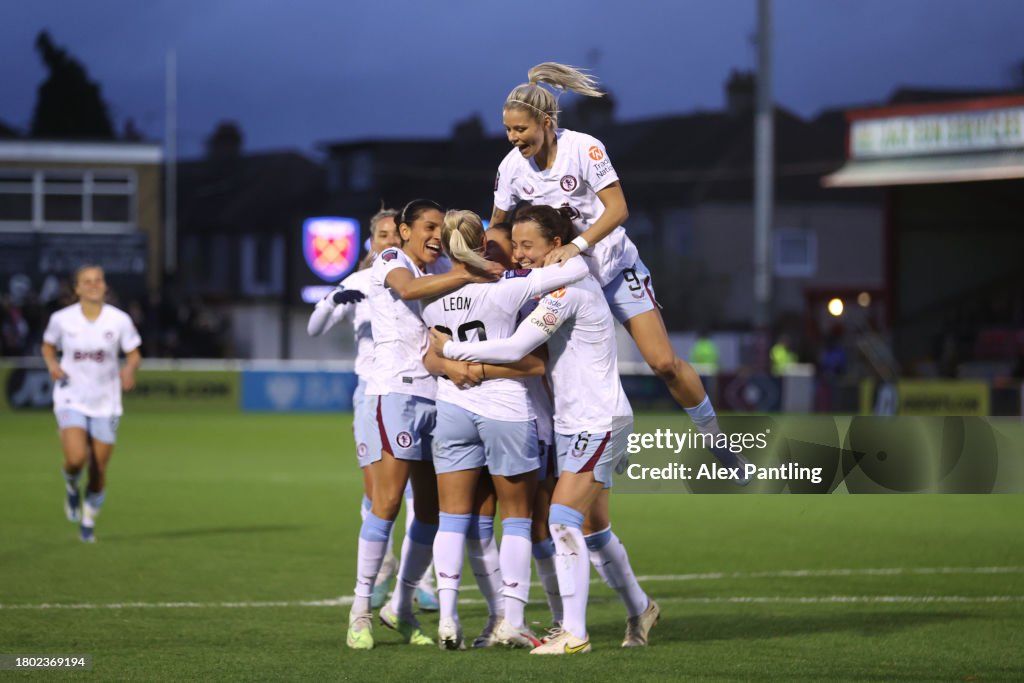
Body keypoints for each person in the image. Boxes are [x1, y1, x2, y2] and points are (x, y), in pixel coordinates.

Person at [491, 62, 747, 480]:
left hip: (612, 268)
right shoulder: (510, 168)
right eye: (508, 130)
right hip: (565, 283)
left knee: (663, 363)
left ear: (546, 122)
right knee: (549, 368)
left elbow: (619, 209)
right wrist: (490, 270)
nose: (513, 138)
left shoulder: (585, 148)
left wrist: (575, 246)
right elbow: (498, 227)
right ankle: (576, 451)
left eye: (520, 129)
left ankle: (717, 443)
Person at [432, 205, 658, 655]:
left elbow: (519, 347)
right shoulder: (559, 279)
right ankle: (641, 607)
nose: (519, 254)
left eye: (527, 245)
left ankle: (574, 633)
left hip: (599, 421)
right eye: (514, 245)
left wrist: (451, 348)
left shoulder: (570, 286)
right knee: (593, 530)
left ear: (556, 243)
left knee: (561, 520)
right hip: (573, 422)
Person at [420, 209, 588, 649]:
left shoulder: (431, 299)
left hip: (452, 407)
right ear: (481, 246)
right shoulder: (507, 290)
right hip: (506, 409)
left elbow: (430, 357)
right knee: (518, 519)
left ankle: (448, 617)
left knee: (453, 519)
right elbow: (576, 270)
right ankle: (512, 617)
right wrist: (568, 244)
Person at [345, 199, 499, 650]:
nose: (436, 235)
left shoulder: (440, 276)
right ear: (405, 230)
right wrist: (472, 273)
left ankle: (403, 606)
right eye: (428, 227)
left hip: (437, 397)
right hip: (395, 394)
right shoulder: (393, 260)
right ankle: (359, 613)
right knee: (387, 503)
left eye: (440, 229)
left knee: (429, 513)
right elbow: (408, 291)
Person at [41, 265, 141, 543]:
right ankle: (72, 487)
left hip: (106, 402)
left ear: (105, 286)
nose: (93, 285)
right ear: (77, 288)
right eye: (87, 281)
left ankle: (88, 519)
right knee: (76, 459)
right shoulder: (62, 319)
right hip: (70, 397)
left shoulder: (118, 320)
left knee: (98, 468)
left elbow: (133, 353)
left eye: (98, 280)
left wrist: (129, 369)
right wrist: (51, 364)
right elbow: (48, 346)